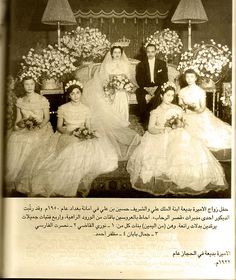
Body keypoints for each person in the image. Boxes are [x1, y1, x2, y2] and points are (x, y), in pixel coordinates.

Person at [15, 81, 118, 197]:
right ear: (69, 95)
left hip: (82, 134)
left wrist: (85, 133)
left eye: (78, 93)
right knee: (71, 148)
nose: (75, 96)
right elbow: (59, 127)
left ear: (81, 94)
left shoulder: (86, 109)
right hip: (66, 134)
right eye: (72, 94)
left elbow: (88, 127)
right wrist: (69, 132)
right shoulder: (63, 108)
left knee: (88, 147)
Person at [127, 81, 227, 196]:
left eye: (172, 96)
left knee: (187, 146)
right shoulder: (156, 111)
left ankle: (189, 174)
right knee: (165, 154)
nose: (170, 98)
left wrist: (179, 125)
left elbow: (184, 123)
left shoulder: (177, 109)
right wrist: (163, 130)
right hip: (161, 135)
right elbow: (150, 128)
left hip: (178, 134)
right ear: (161, 96)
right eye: (167, 95)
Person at [82, 45, 140, 160]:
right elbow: (105, 79)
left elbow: (128, 78)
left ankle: (122, 119)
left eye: (119, 52)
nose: (117, 55)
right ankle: (115, 120)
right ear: (112, 54)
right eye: (115, 53)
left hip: (122, 88)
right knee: (116, 94)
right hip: (110, 88)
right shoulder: (107, 64)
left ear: (121, 53)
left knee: (122, 94)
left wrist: (123, 85)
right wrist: (113, 86)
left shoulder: (125, 64)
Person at [5, 76, 53, 193]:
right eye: (27, 84)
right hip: (26, 128)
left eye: (31, 84)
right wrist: (20, 125)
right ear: (23, 86)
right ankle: (16, 175)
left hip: (41, 128)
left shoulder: (42, 100)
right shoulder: (20, 101)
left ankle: (29, 176)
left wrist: (38, 127)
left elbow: (47, 118)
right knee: (15, 138)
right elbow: (18, 120)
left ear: (34, 85)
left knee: (31, 140)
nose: (29, 87)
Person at [178, 68, 232, 161]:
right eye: (187, 77)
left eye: (191, 77)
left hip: (199, 114)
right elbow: (180, 103)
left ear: (195, 78)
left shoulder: (200, 91)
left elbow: (203, 107)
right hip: (186, 114)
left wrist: (195, 110)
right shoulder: (182, 91)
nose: (189, 79)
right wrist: (185, 106)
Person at [135, 43, 168, 127]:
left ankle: (154, 117)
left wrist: (155, 89)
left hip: (158, 86)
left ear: (156, 52)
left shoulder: (162, 63)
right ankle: (145, 119)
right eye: (148, 52)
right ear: (146, 52)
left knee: (161, 91)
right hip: (145, 87)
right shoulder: (141, 65)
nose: (150, 54)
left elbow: (165, 79)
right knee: (139, 92)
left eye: (152, 52)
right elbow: (139, 80)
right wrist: (147, 89)